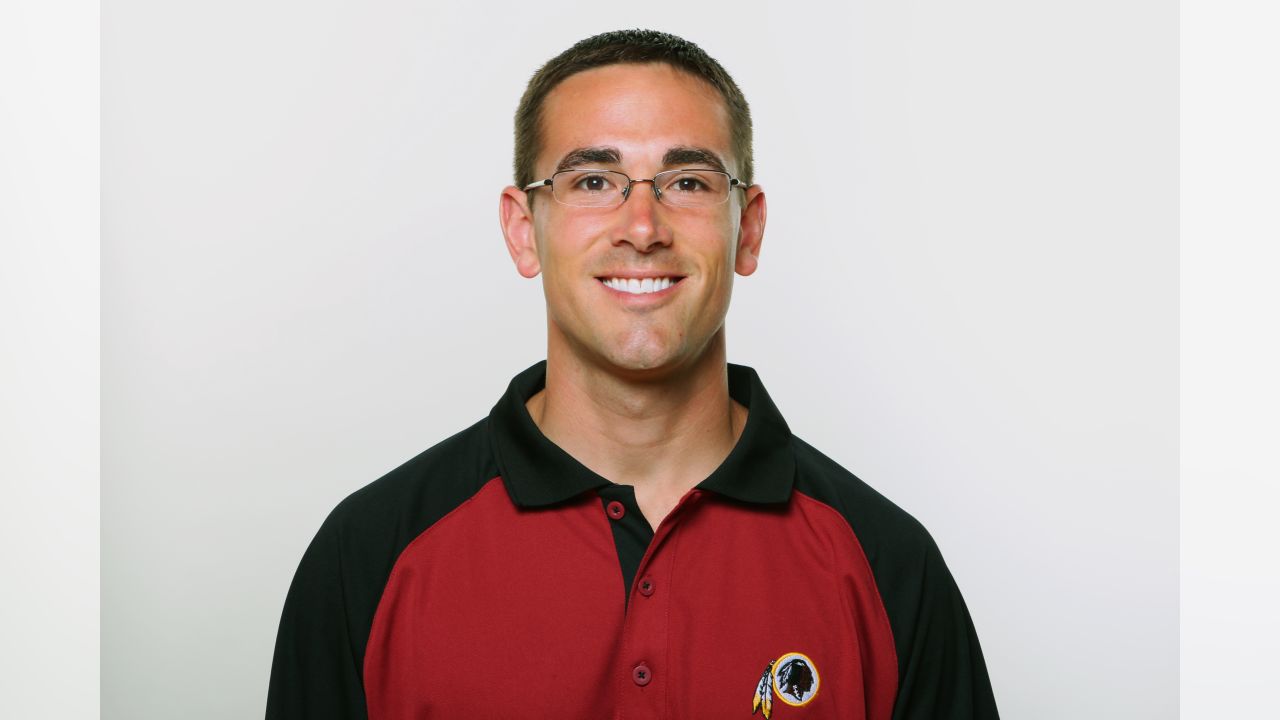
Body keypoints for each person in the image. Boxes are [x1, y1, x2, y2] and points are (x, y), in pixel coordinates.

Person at [266, 29, 999, 720]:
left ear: (748, 229)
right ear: (525, 232)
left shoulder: (885, 564)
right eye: (592, 181)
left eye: (687, 181)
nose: (643, 227)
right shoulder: (368, 557)